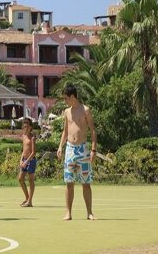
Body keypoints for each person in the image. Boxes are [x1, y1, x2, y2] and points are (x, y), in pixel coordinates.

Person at [57, 84, 97, 221]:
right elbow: (65, 131)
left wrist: (93, 149)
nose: (65, 101)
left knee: (86, 182)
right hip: (70, 149)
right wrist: (60, 147)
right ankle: (68, 213)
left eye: (66, 98)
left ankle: (89, 212)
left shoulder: (85, 110)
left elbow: (92, 130)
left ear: (73, 97)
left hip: (83, 149)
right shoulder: (67, 112)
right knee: (69, 182)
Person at [18, 117, 36, 207]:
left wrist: (27, 162)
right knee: (20, 179)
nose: (25, 127)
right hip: (24, 160)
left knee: (31, 180)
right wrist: (21, 160)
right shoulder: (23, 136)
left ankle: (30, 201)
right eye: (24, 125)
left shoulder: (32, 138)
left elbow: (33, 152)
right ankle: (27, 198)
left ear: (30, 127)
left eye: (27, 125)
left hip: (31, 160)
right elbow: (23, 150)